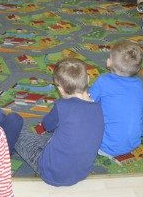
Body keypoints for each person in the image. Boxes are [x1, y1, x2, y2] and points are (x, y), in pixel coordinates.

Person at [14, 57, 103, 187]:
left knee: (18, 131)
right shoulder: (98, 108)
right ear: (88, 79)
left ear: (60, 89)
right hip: (82, 171)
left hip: (51, 172)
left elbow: (47, 125)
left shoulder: (62, 106)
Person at [89, 40, 143, 157]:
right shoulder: (139, 83)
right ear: (137, 69)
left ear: (109, 62)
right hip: (134, 143)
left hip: (106, 146)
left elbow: (87, 102)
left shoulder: (103, 81)